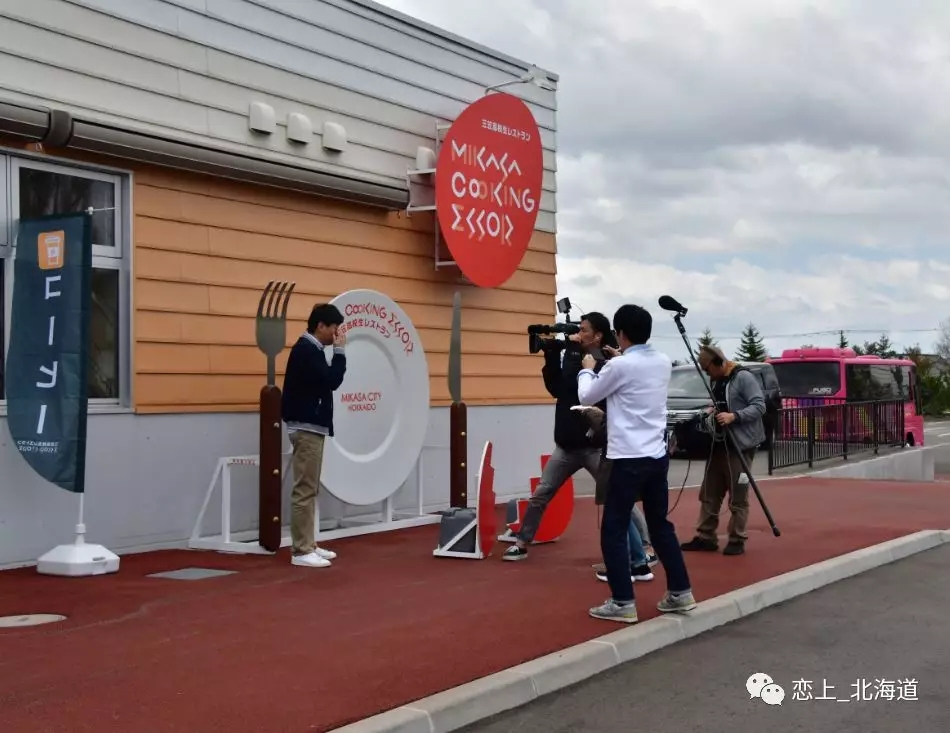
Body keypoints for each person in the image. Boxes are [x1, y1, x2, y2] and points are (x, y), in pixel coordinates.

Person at [577, 304, 697, 623]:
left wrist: (587, 367)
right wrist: (620, 357)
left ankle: (622, 602)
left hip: (625, 457)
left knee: (613, 528)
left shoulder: (619, 367)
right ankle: (680, 592)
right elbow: (633, 372)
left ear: (621, 333)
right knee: (660, 526)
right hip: (656, 457)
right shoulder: (660, 362)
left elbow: (587, 396)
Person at [502, 312, 648, 568]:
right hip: (566, 445)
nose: (578, 334)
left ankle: (646, 546)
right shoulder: (574, 355)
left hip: (595, 447)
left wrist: (570, 350)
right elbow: (558, 388)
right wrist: (550, 354)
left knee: (618, 496)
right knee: (541, 494)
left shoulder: (606, 362)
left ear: (598, 335)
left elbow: (583, 393)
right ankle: (522, 542)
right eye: (577, 330)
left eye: (583, 330)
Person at [680, 345, 766, 556]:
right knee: (709, 492)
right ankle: (706, 536)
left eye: (708, 369)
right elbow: (719, 402)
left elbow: (759, 406)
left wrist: (734, 416)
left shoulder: (743, 378)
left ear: (718, 363)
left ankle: (737, 538)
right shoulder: (717, 379)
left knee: (738, 494)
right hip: (718, 444)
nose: (707, 374)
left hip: (740, 446)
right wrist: (711, 411)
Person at [281, 303, 347, 568]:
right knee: (305, 489)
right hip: (306, 427)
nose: (336, 334)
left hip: (311, 426)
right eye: (334, 329)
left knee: (309, 488)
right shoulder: (306, 351)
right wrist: (341, 352)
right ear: (320, 326)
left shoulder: (312, 350)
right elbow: (332, 380)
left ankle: (308, 543)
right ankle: (301, 550)